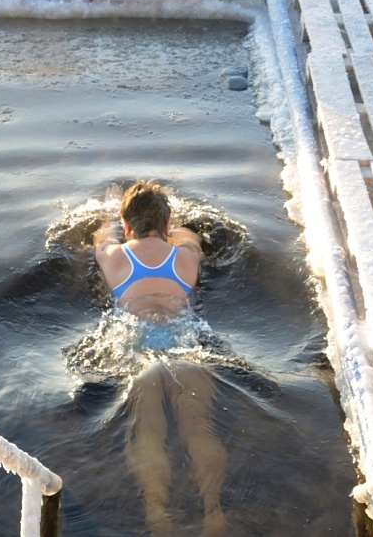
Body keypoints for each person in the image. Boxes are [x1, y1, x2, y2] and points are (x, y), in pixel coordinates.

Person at [93, 180, 227, 537]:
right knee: (198, 425)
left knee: (148, 429)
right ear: (167, 224)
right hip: (184, 343)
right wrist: (174, 219)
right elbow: (188, 236)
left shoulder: (114, 257)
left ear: (126, 226)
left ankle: (157, 514)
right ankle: (213, 510)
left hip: (135, 343)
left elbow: (101, 236)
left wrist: (111, 211)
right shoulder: (186, 258)